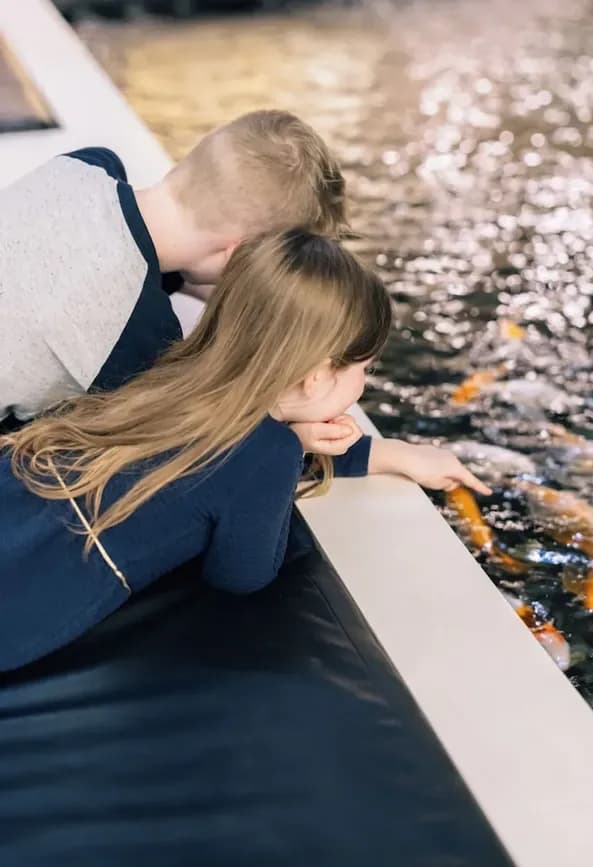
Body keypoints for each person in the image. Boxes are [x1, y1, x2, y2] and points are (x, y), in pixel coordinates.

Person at [0, 229, 489, 672]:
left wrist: (386, 453)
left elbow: (225, 460)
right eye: (366, 369)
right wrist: (289, 452)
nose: (365, 382)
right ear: (317, 375)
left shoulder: (177, 371)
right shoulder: (269, 454)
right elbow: (242, 576)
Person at [0, 109, 347, 426]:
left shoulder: (88, 165)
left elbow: (103, 250)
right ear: (237, 256)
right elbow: (178, 430)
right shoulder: (141, 332)